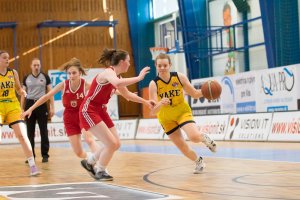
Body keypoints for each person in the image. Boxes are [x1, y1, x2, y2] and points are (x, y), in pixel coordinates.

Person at [79, 48, 155, 181]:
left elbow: (127, 95)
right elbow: (117, 83)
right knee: (111, 144)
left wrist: (146, 101)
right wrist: (139, 78)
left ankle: (89, 161)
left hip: (101, 111)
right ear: (121, 62)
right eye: (128, 61)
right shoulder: (109, 72)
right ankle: (100, 170)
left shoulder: (117, 76)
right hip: (89, 109)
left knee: (116, 143)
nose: (130, 64)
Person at [21, 58, 99, 166]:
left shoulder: (86, 85)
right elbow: (46, 96)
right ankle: (90, 157)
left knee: (89, 140)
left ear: (80, 73)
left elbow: (105, 90)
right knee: (79, 153)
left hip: (82, 114)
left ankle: (101, 168)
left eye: (74, 73)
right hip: (69, 118)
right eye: (69, 73)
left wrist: (125, 94)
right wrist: (30, 109)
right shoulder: (64, 85)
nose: (71, 76)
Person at [149, 53, 217, 174]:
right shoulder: (153, 84)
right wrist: (160, 103)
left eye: (165, 65)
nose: (162, 68)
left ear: (170, 65)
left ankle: (204, 138)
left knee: (194, 137)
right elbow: (153, 111)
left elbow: (195, 93)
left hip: (182, 112)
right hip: (166, 119)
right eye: (160, 65)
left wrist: (208, 92)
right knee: (182, 147)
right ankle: (198, 161)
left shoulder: (179, 77)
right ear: (156, 66)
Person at [0, 50, 40, 176]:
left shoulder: (13, 72)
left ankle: (33, 166)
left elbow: (18, 88)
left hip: (13, 105)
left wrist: (22, 92)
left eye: (8, 57)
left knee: (22, 135)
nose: (7, 59)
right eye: (4, 58)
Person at [20, 58, 54, 163]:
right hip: (29, 105)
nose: (36, 67)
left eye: (38, 65)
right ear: (31, 66)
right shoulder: (26, 77)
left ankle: (45, 155)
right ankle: (31, 156)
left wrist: (52, 106)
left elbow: (50, 92)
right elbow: (23, 94)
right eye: (34, 65)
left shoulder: (45, 77)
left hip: (41, 104)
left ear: (40, 65)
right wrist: (22, 108)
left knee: (44, 131)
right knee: (30, 132)